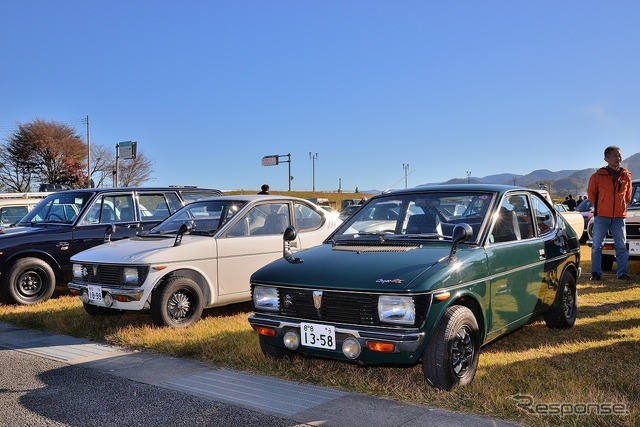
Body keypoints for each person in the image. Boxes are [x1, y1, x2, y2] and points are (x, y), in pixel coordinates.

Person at [588, 146, 633, 281]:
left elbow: (628, 196)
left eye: (619, 156)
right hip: (602, 216)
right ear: (606, 158)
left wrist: (620, 207)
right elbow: (592, 194)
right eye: (614, 156)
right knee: (597, 246)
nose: (618, 159)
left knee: (621, 246)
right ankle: (596, 273)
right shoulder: (597, 176)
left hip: (619, 217)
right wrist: (602, 206)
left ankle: (622, 273)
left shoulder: (626, 176)